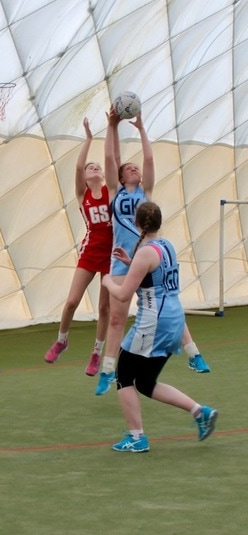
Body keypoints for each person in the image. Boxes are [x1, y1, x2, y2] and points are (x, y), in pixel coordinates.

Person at [95, 109, 210, 396]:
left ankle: (194, 354)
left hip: (147, 257)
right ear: (121, 175)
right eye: (129, 168)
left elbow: (149, 159)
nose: (135, 169)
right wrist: (111, 126)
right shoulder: (115, 192)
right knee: (117, 319)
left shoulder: (145, 193)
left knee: (168, 303)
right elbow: (109, 158)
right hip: (122, 261)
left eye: (136, 168)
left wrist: (142, 129)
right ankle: (107, 371)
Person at [102, 201, 218, 452]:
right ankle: (200, 412)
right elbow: (154, 273)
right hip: (174, 320)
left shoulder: (145, 253)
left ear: (135, 223)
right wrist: (131, 261)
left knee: (123, 376)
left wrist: (107, 281)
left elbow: (122, 294)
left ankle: (137, 437)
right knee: (145, 382)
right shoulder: (166, 246)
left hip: (154, 322)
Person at [44, 112, 119, 375]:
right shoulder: (82, 194)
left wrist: (111, 128)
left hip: (111, 254)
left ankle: (96, 353)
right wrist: (88, 139)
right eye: (91, 167)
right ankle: (61, 340)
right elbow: (77, 168)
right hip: (90, 251)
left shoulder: (111, 190)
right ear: (85, 177)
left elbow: (112, 160)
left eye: (97, 166)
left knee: (104, 307)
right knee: (72, 301)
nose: (94, 167)